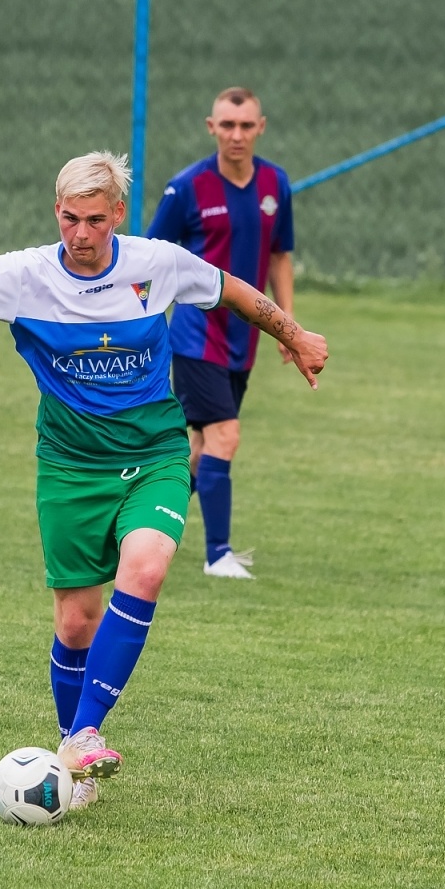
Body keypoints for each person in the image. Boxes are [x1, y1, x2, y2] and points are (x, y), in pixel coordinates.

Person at [0, 152, 324, 809]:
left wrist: (294, 332)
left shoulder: (156, 264)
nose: (79, 233)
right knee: (76, 620)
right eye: (68, 219)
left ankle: (85, 733)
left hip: (155, 454)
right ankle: (70, 752)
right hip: (70, 467)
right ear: (55, 213)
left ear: (117, 214)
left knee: (146, 568)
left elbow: (231, 289)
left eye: (93, 219)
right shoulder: (23, 275)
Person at [147, 87, 297, 580]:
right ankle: (218, 556)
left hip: (244, 340)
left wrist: (286, 327)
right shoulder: (186, 188)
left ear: (261, 127)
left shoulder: (276, 184)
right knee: (225, 437)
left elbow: (279, 256)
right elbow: (149, 259)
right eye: (227, 126)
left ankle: (134, 523)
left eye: (246, 125)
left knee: (198, 450)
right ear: (211, 127)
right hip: (195, 336)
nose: (237, 135)